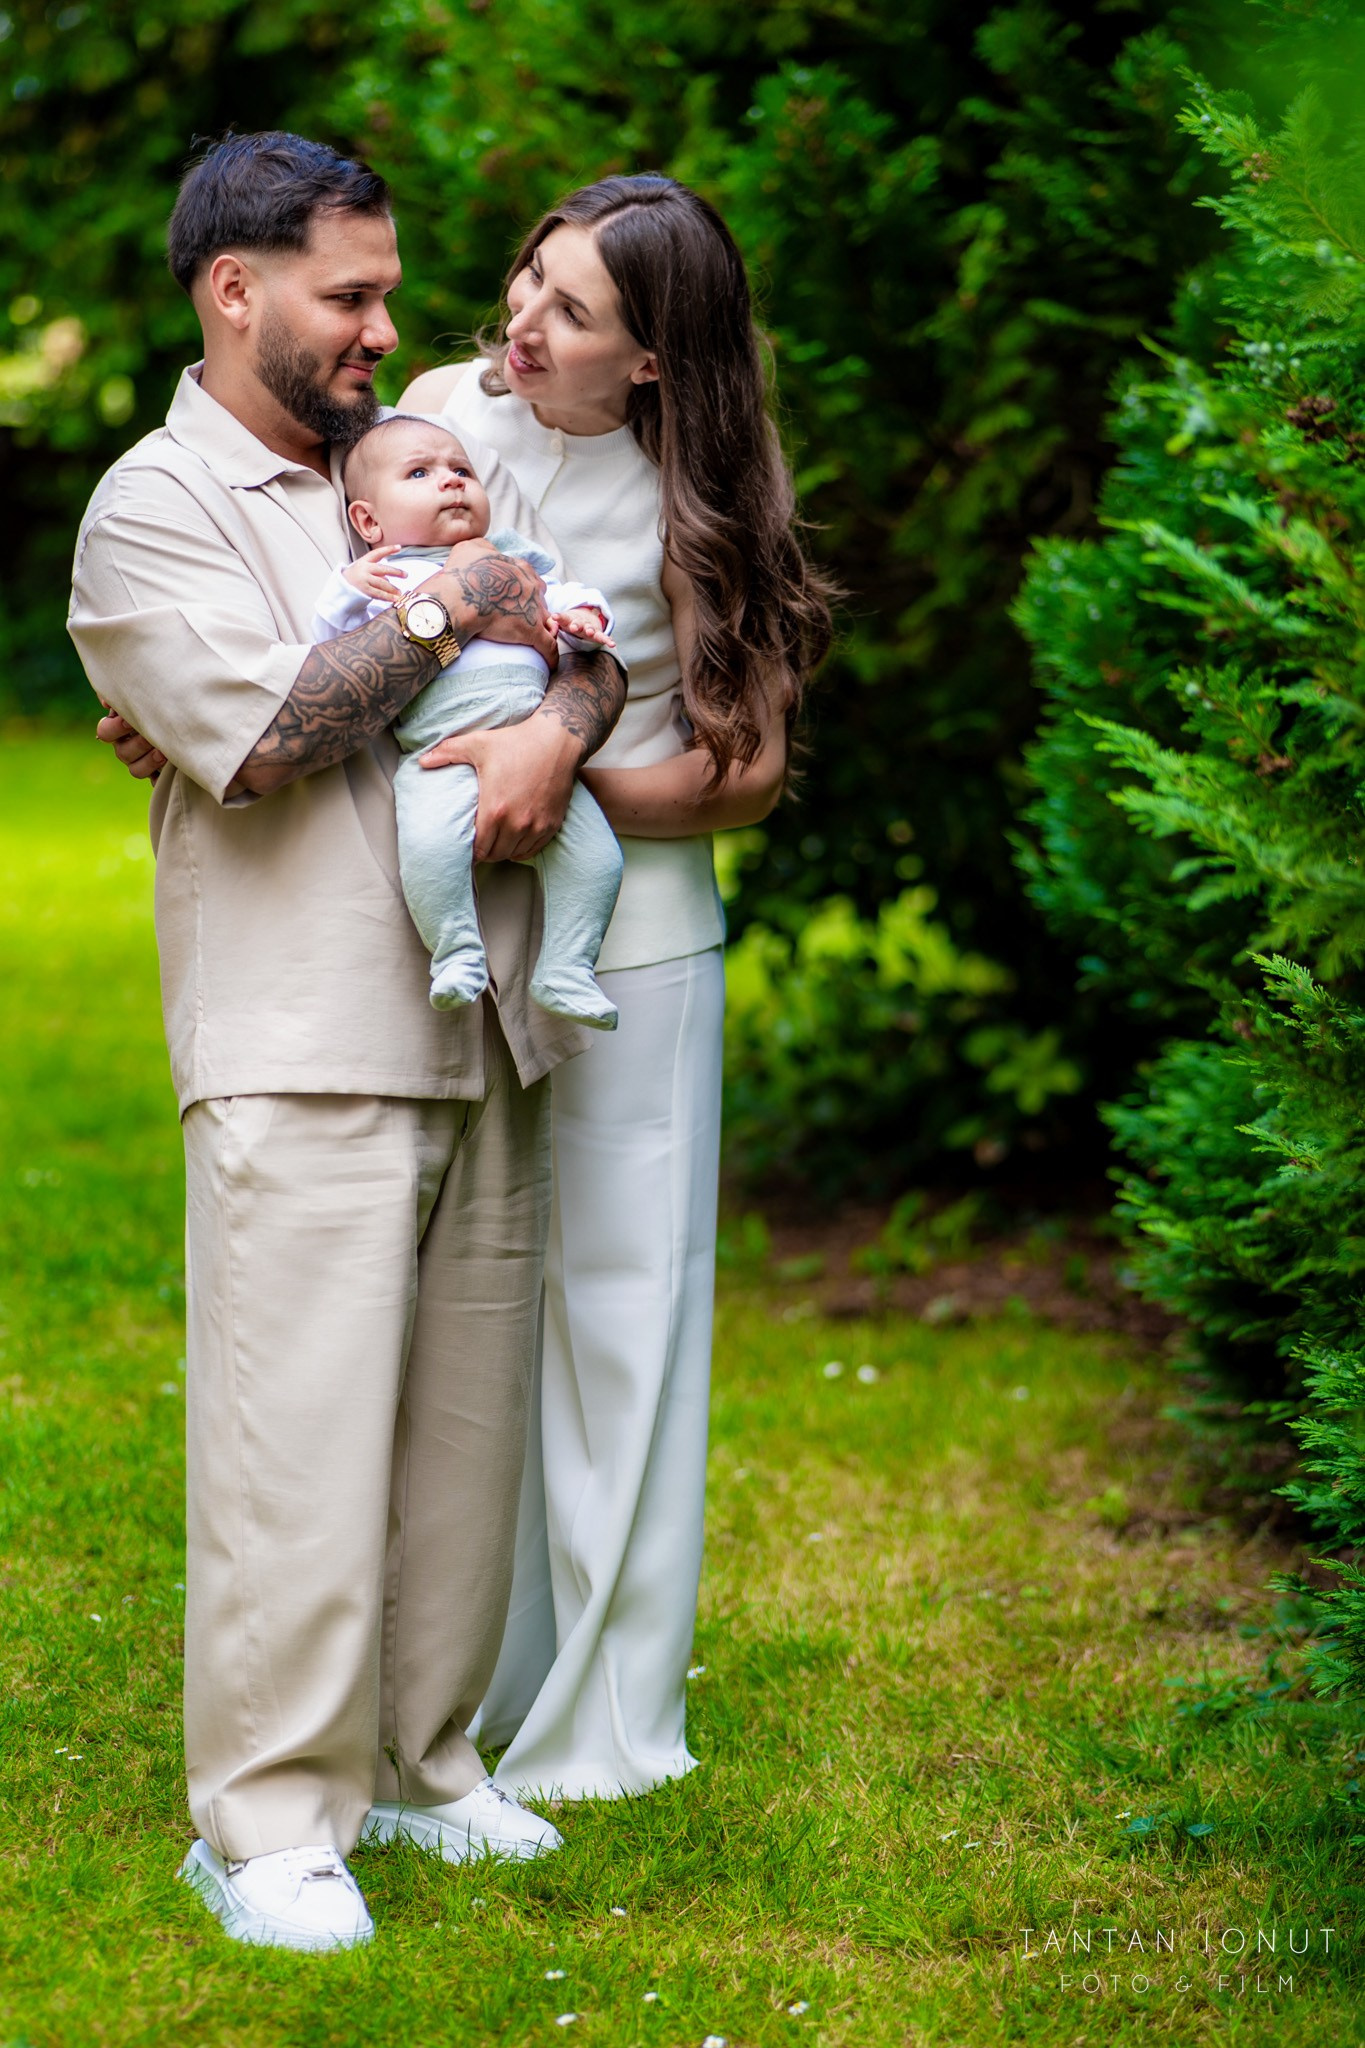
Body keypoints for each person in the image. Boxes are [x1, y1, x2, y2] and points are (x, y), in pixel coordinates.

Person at [71, 131, 628, 1952]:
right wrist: (460, 600)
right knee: (293, 1447)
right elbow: (273, 736)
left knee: (460, 1441)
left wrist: (555, 719)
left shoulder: (411, 459)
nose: (390, 330)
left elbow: (582, 644)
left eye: (389, 293)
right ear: (237, 292)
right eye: (354, 295)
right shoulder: (155, 504)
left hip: (490, 1011)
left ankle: (421, 1763)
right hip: (303, 1023)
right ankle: (264, 1823)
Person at [401, 176, 835, 1800]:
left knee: (623, 1313)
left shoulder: (698, 492)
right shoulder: (442, 414)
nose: (522, 321)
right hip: (444, 927)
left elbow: (745, 775)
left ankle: (605, 1722)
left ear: (653, 357)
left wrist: (550, 776)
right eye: (530, 278)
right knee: (467, 1315)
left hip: (633, 947)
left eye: (571, 311)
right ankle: (465, 1681)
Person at [312, 413, 624, 1028]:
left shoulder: (511, 553)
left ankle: (568, 967)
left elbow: (562, 596)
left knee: (600, 860)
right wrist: (346, 588)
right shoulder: (382, 577)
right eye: (420, 473)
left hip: (532, 738)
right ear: (369, 522)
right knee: (430, 850)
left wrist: (584, 617)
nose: (451, 481)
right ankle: (455, 952)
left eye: (461, 470)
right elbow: (329, 656)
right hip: (441, 752)